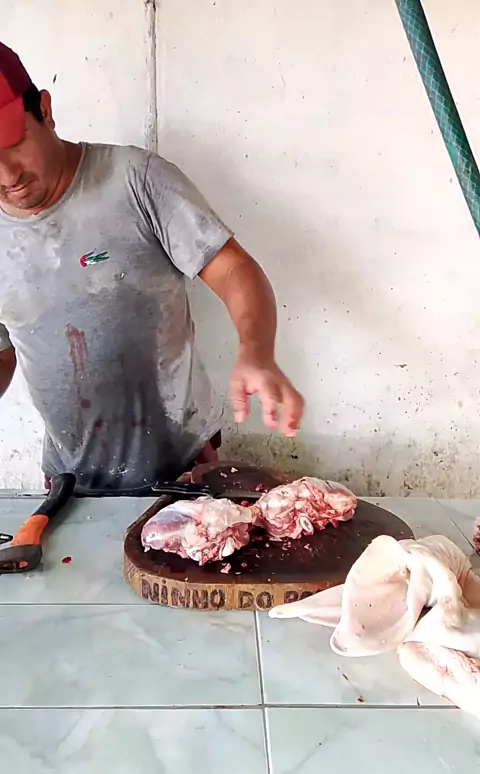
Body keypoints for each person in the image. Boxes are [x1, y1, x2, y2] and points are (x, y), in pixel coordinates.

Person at [0, 42, 303, 495]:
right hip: (69, 482)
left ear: (45, 109)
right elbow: (4, 349)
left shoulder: (135, 180)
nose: (9, 175)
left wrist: (255, 352)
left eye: (14, 143)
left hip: (181, 469)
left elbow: (233, 269)